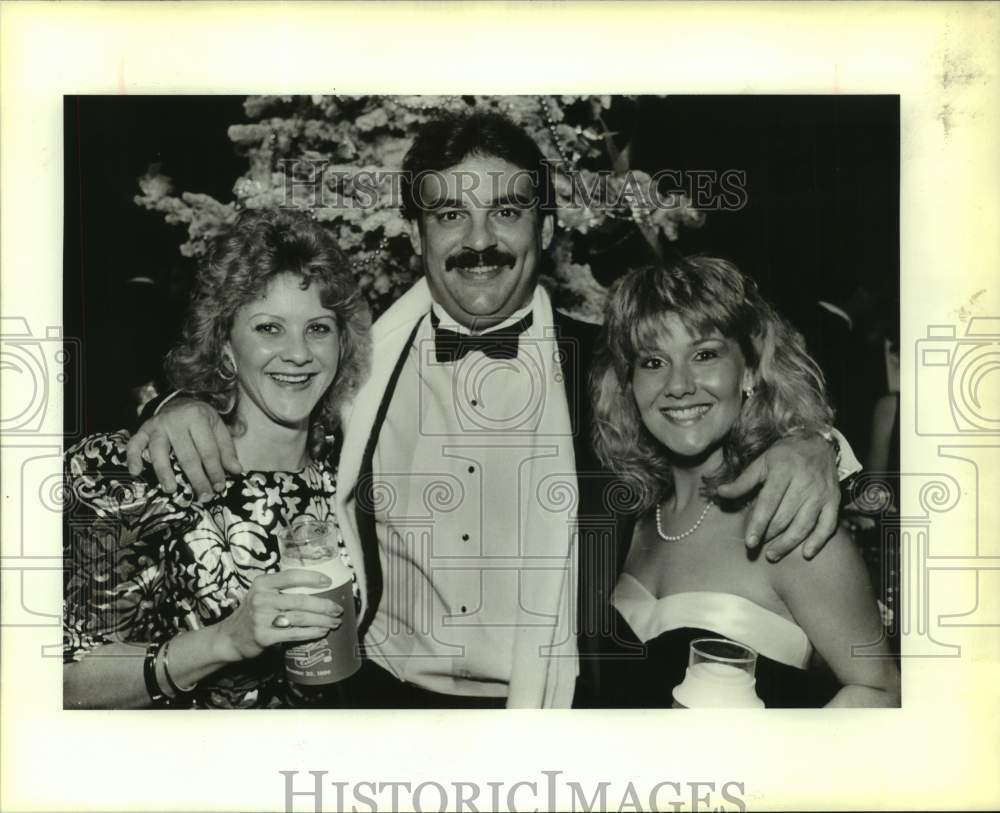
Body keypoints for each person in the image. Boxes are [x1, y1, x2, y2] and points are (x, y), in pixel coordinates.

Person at [124, 110, 853, 708]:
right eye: (449, 215)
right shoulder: (356, 367)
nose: (479, 240)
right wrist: (182, 400)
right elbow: (260, 376)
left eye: (506, 211)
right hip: (381, 702)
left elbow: (717, 392)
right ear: (417, 234)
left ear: (544, 229)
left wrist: (812, 442)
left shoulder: (611, 367)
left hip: (555, 712)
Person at [63, 208, 372, 708]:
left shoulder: (350, 470)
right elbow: (62, 681)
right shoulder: (139, 473)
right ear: (225, 345)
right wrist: (223, 642)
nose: (298, 353)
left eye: (318, 328)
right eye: (269, 328)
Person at [590, 258, 900, 707]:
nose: (678, 385)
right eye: (653, 361)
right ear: (629, 386)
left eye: (705, 355)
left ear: (750, 371)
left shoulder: (789, 520)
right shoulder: (629, 518)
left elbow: (880, 691)